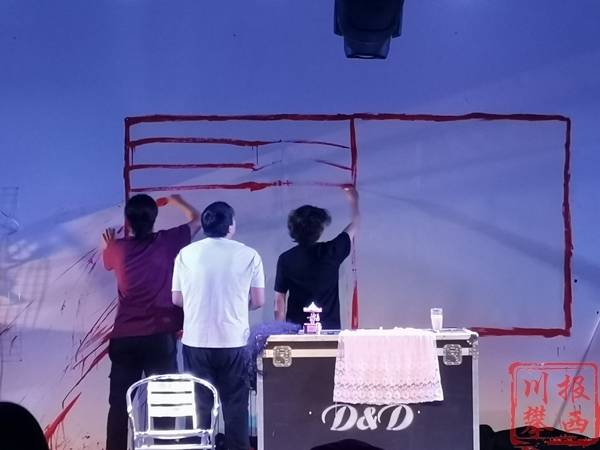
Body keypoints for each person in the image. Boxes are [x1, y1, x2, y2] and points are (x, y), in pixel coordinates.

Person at [102, 194, 201, 450]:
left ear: (128, 221)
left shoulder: (117, 249)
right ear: (154, 219)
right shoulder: (167, 242)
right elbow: (197, 219)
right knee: (164, 404)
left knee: (118, 406)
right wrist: (178, 200)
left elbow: (107, 261)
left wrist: (110, 244)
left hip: (124, 338)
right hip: (160, 336)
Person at [172, 201, 265, 450]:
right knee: (236, 408)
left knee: (199, 407)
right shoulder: (249, 255)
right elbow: (258, 301)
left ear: (205, 225)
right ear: (231, 225)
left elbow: (177, 299)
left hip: (196, 341)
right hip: (234, 341)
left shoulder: (185, 254)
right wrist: (235, 303)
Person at [274, 187, 359, 329]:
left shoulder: (285, 259)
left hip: (296, 332)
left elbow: (279, 301)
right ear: (319, 230)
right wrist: (354, 201)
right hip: (328, 332)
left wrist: (279, 331)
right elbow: (354, 225)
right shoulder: (331, 251)